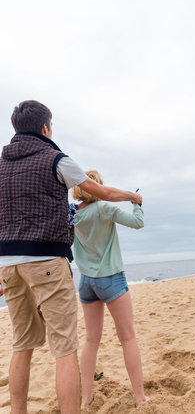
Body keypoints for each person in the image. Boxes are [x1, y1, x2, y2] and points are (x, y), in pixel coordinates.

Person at [0, 100, 142, 414]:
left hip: (8, 264)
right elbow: (103, 193)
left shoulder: (2, 165)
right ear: (45, 127)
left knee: (21, 345)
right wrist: (133, 197)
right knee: (64, 349)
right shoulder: (56, 159)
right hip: (47, 262)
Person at [72, 170, 148, 408]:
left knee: (91, 341)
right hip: (111, 279)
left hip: (85, 282)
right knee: (128, 338)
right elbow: (138, 223)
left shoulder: (73, 215)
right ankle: (140, 398)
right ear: (99, 187)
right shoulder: (104, 209)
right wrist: (137, 204)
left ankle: (86, 399)